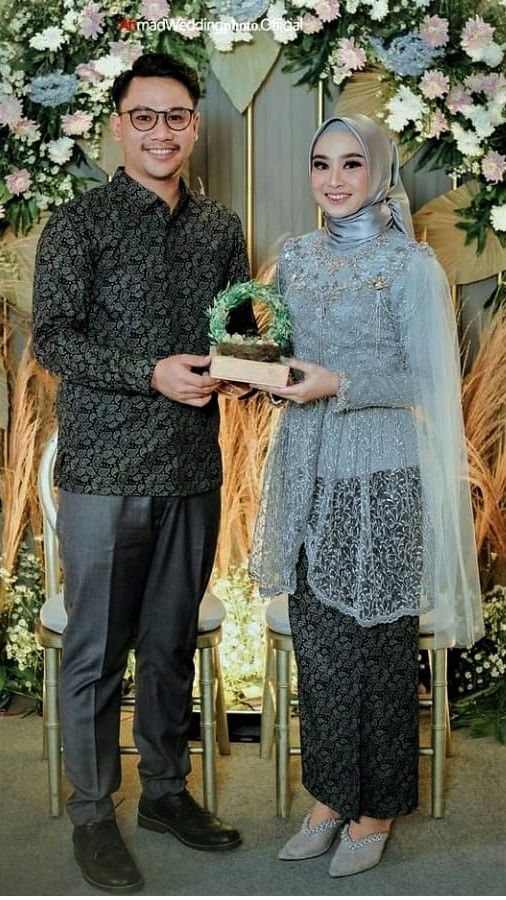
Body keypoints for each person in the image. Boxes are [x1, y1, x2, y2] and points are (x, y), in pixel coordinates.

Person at [32, 52, 254, 893]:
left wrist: (252, 371)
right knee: (97, 653)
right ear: (119, 124)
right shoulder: (77, 224)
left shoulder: (219, 229)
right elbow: (53, 338)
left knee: (166, 646)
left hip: (192, 468)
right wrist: (151, 371)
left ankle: (165, 792)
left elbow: (239, 327)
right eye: (145, 116)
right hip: (102, 472)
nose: (162, 131)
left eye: (177, 117)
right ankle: (95, 812)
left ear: (195, 125)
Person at [250, 114, 484, 877]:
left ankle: (377, 808)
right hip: (306, 465)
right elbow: (280, 355)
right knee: (320, 644)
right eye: (322, 164)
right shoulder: (291, 258)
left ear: (379, 171)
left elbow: (429, 382)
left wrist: (339, 383)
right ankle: (326, 797)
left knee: (378, 648)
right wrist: (260, 372)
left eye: (352, 165)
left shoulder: (412, 266)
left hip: (382, 473)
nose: (335, 180)